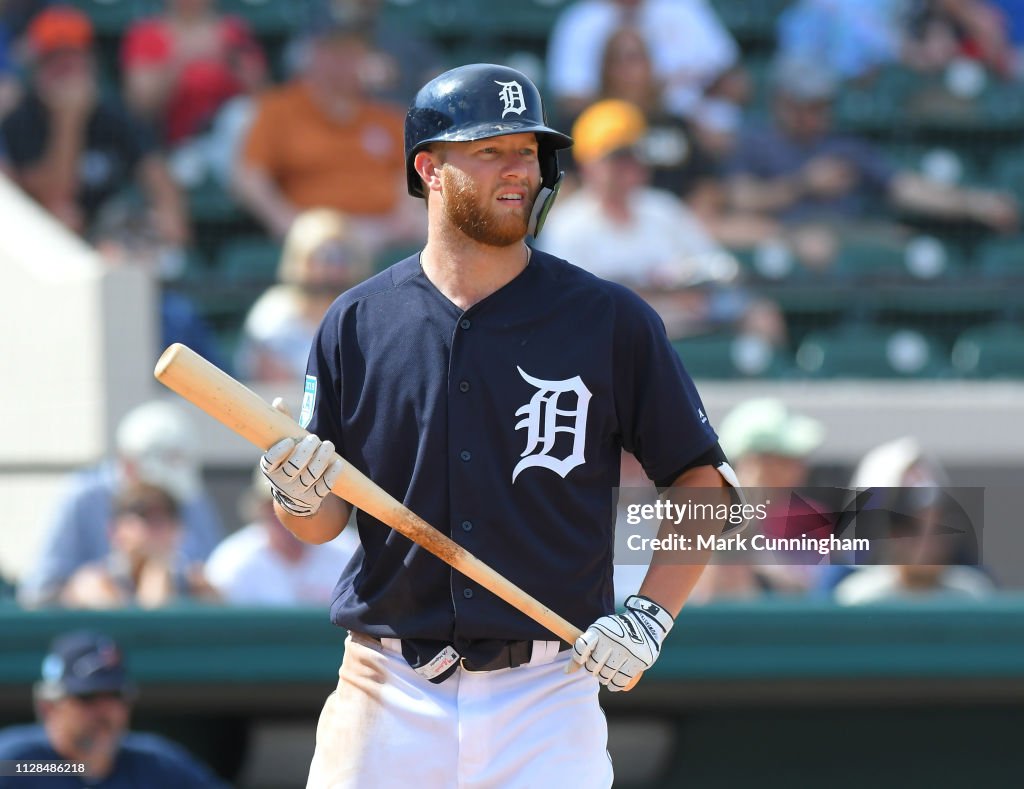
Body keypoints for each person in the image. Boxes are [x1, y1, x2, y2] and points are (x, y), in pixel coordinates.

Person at [258, 63, 742, 787]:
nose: (518, 170)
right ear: (430, 168)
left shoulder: (609, 319)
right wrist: (296, 496)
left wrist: (651, 615)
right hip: (387, 683)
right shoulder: (357, 321)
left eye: (527, 151)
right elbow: (323, 521)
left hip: (547, 693)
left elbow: (705, 485)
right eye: (490, 151)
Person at [539, 98, 786, 344]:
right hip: (615, 342)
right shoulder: (567, 225)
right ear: (588, 165)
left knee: (762, 315)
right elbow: (575, 307)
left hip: (685, 331)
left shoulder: (663, 209)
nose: (629, 167)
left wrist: (692, 285)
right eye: (617, 159)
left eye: (634, 156)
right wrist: (655, 294)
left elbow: (718, 266)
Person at [727, 56, 1019, 238]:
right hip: (787, 239)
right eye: (808, 106)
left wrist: (972, 203)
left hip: (850, 235)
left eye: (823, 105)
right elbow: (739, 200)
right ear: (783, 104)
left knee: (899, 239)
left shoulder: (843, 145)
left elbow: (904, 187)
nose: (818, 115)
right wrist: (802, 184)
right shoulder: (755, 142)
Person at [232, 10, 423, 253]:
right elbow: (251, 178)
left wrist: (398, 223)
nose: (345, 60)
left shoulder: (387, 116)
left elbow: (411, 178)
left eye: (353, 50)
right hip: (314, 234)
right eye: (334, 50)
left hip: (382, 234)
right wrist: (288, 224)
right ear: (311, 54)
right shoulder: (278, 109)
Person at [1, 5, 189, 245]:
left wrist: (169, 211)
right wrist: (68, 121)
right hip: (44, 242)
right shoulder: (20, 121)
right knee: (63, 215)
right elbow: (53, 195)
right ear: (38, 67)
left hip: (109, 234)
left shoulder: (114, 114)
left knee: (141, 229)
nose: (65, 69)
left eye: (72, 58)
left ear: (89, 60)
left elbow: (156, 172)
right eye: (54, 60)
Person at [18, 401, 224, 608]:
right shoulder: (82, 496)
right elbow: (40, 591)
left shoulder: (192, 497)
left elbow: (207, 573)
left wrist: (162, 572)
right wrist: (90, 591)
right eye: (143, 512)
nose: (157, 524)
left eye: (168, 512)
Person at [0, 631, 227, 787]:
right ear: (48, 707)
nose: (106, 711)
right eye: (88, 698)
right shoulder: (21, 765)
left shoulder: (154, 765)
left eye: (115, 696)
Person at [546, 0, 747, 129]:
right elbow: (570, 99)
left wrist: (701, 88)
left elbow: (739, 86)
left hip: (694, 125)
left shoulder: (685, 9)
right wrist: (638, 99)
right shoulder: (582, 20)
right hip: (612, 127)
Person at [234, 208, 373, 383]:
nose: (333, 266)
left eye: (343, 255)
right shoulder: (273, 314)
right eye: (323, 256)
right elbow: (270, 383)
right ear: (300, 258)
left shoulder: (368, 313)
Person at [121, 0, 268, 147]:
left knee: (239, 115)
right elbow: (140, 107)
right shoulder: (147, 33)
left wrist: (230, 60)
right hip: (173, 146)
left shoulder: (234, 31)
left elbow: (262, 96)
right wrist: (182, 58)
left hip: (231, 143)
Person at [205, 468, 358, 606]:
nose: (289, 515)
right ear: (260, 510)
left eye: (300, 506)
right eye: (279, 504)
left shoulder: (348, 550)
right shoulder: (233, 559)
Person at [60, 481, 220, 609]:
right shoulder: (93, 582)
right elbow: (143, 630)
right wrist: (157, 568)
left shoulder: (194, 584)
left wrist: (160, 565)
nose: (158, 528)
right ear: (115, 530)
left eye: (166, 518)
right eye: (145, 517)